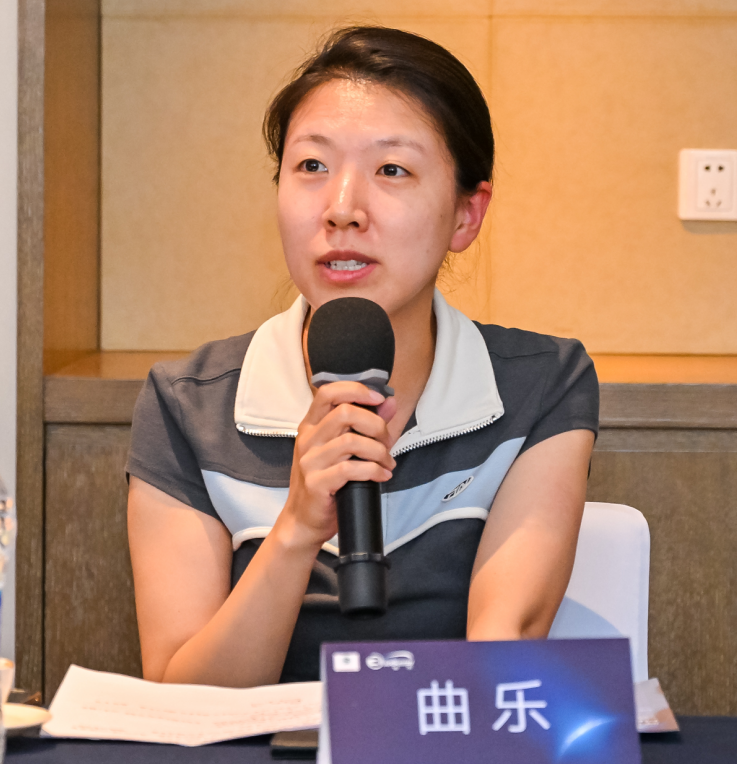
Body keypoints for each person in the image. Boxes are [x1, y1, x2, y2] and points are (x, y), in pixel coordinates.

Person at [126, 26, 599, 689]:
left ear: (467, 214)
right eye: (312, 167)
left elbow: (503, 653)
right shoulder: (187, 405)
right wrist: (296, 528)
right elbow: (184, 695)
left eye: (391, 170)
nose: (342, 209)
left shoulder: (542, 385)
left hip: (445, 738)